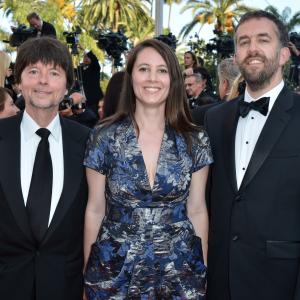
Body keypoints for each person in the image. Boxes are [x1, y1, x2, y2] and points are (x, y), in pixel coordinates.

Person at [83, 39, 212, 299]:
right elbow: (96, 209)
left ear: (173, 79)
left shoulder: (194, 139)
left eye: (162, 70)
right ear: (131, 77)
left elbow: (197, 210)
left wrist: (201, 273)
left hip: (179, 272)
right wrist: (90, 277)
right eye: (143, 69)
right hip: (114, 273)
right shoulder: (104, 137)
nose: (152, 78)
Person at [205, 10, 300, 300]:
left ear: (284, 55)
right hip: (221, 280)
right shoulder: (213, 119)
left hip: (281, 281)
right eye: (244, 42)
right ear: (236, 56)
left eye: (263, 39)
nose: (253, 48)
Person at [0, 36, 90, 300]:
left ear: (66, 86)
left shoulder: (88, 142)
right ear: (18, 82)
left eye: (53, 73)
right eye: (33, 72)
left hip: (67, 288)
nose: (43, 81)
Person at [80, 51, 104, 116]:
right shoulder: (80, 70)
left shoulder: (95, 68)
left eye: (87, 57)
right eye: (84, 57)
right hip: (82, 102)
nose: (86, 58)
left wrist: (86, 51)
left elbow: (95, 60)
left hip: (94, 101)